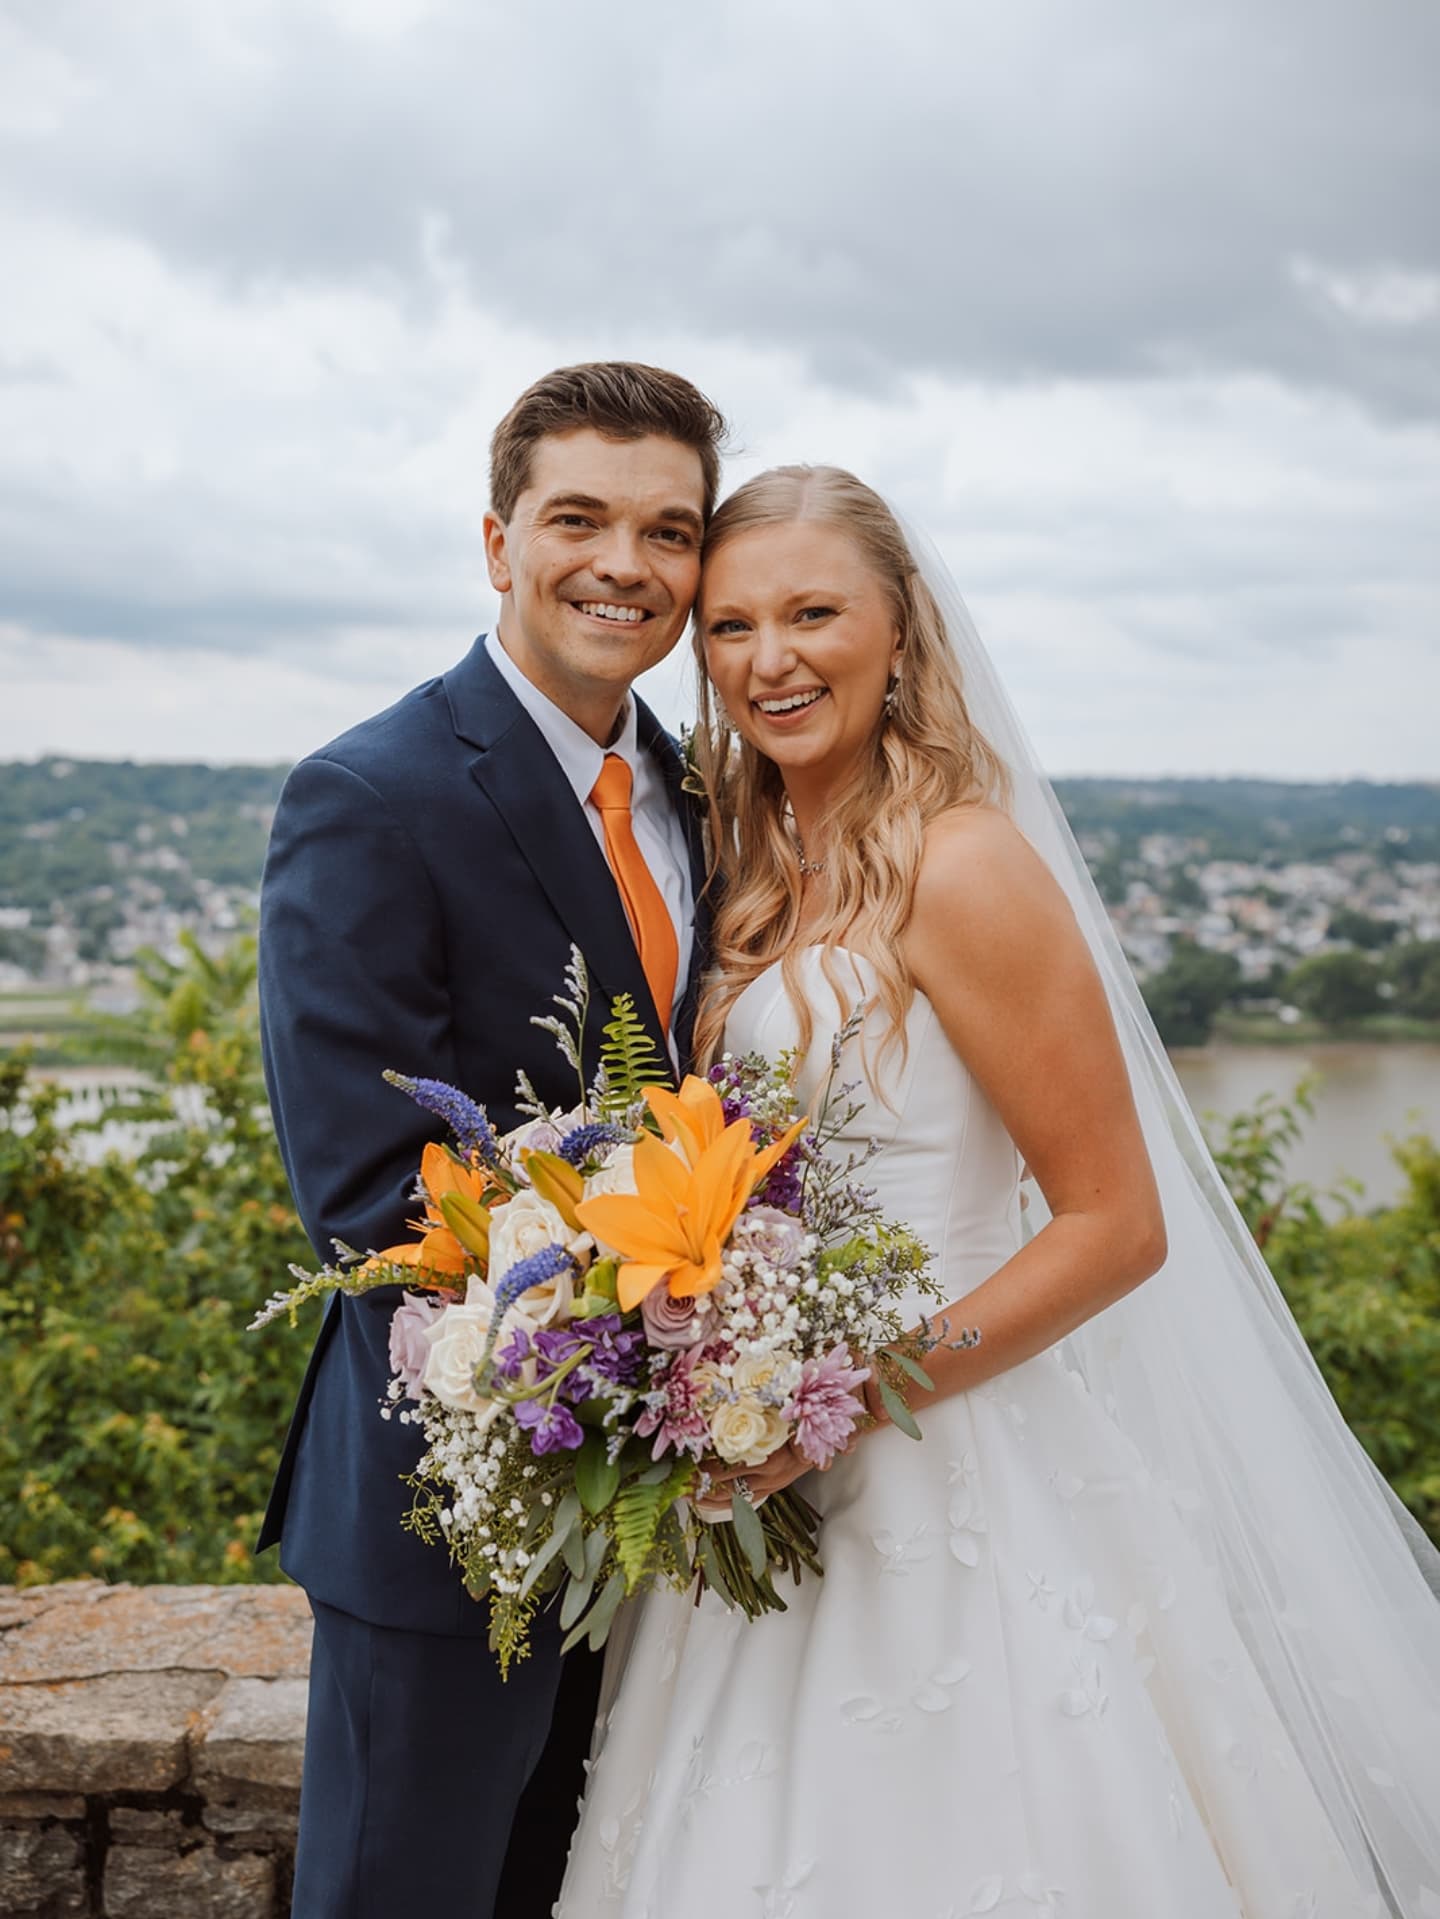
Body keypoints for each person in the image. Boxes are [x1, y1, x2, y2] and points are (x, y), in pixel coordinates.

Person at [556, 466, 1440, 1916]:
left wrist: (848, 1392)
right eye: (730, 625)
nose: (769, 660)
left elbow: (1116, 1225)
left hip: (949, 1462)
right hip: (750, 1476)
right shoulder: (752, 866)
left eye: (814, 613)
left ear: (901, 630)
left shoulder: (963, 866)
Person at [256, 362, 727, 1918]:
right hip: (444, 1508)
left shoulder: (700, 793)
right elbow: (367, 1192)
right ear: (497, 541)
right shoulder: (370, 793)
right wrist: (622, 1319)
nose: (624, 563)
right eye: (579, 516)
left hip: (662, 1512)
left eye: (669, 530)